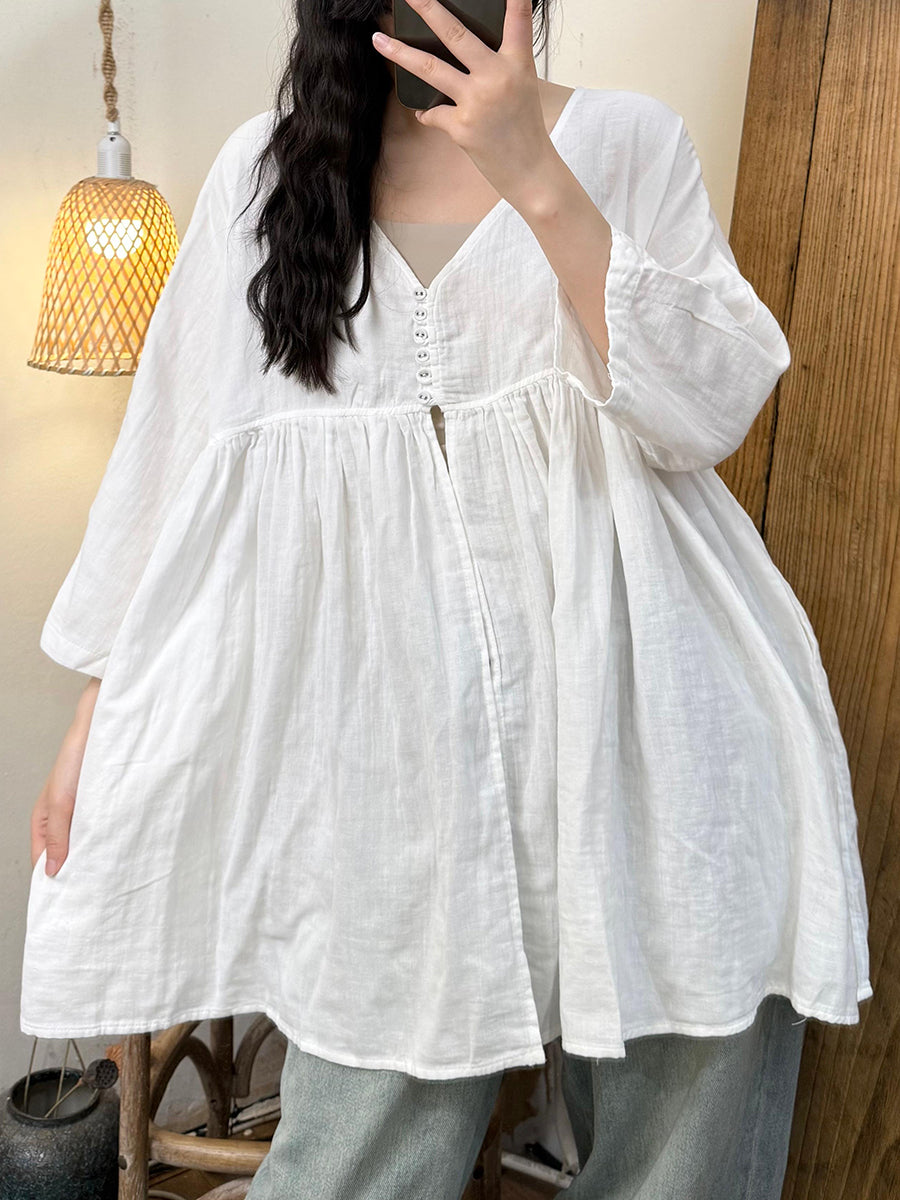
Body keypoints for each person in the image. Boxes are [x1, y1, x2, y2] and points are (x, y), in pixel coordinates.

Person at [23, 0, 871, 1196]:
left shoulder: (627, 140)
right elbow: (174, 455)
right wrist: (96, 708)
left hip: (654, 727)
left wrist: (535, 173)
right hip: (389, 758)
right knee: (357, 1154)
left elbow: (708, 409)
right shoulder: (263, 175)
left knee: (683, 1137)